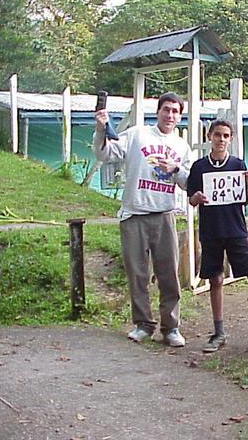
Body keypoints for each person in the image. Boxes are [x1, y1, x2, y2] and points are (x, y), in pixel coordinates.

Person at [93, 92, 190, 347]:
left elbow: (188, 182)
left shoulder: (182, 146)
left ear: (180, 117)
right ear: (157, 111)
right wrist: (101, 129)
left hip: (164, 214)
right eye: (166, 109)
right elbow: (107, 154)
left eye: (175, 112)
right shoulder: (138, 134)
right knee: (137, 273)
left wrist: (175, 169)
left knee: (169, 274)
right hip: (134, 213)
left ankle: (171, 327)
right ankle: (143, 324)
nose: (170, 115)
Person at [186, 119, 248, 352]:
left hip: (235, 229)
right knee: (215, 278)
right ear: (210, 136)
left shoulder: (238, 164)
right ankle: (218, 332)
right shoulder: (199, 167)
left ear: (231, 138)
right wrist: (196, 198)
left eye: (226, 135)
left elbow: (244, 200)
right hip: (211, 230)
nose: (221, 139)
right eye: (217, 134)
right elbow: (192, 199)